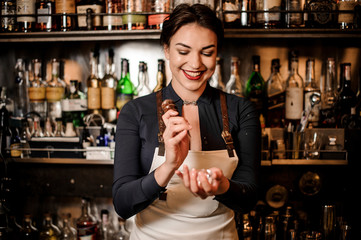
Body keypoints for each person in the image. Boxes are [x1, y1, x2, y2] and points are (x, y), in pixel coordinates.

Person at [113, 3, 260, 239]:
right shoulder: (135, 112)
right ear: (166, 50)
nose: (195, 64)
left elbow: (250, 197)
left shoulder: (242, 111)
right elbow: (122, 203)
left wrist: (222, 187)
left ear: (217, 53)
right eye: (183, 51)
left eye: (207, 52)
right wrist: (168, 167)